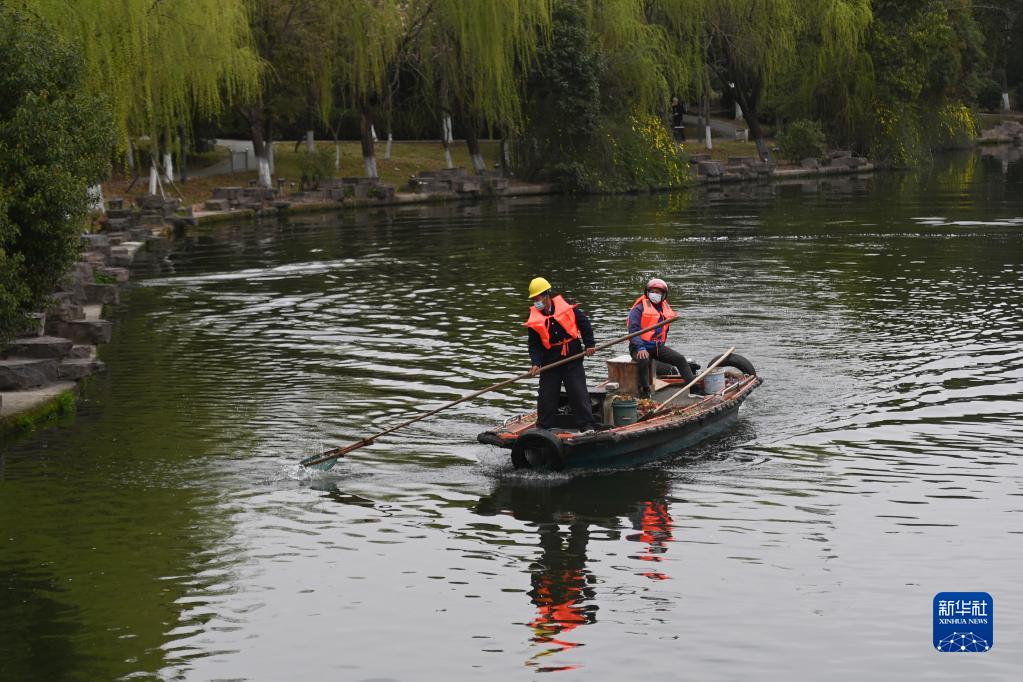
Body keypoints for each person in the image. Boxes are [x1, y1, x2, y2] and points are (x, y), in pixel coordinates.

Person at [525, 276, 599, 432]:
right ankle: (543, 427)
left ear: (547, 296)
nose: (537, 302)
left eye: (539, 298)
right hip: (550, 361)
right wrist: (535, 363)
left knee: (578, 391)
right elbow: (534, 345)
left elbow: (584, 324)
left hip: (572, 357)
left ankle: (586, 425)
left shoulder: (568, 309)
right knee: (546, 395)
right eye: (534, 299)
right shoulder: (534, 319)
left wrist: (590, 344)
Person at [628, 277, 696, 398]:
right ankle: (645, 391)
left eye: (658, 292)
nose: (655, 294)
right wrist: (640, 348)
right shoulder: (638, 309)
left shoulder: (664, 309)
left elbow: (664, 330)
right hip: (639, 347)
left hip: (657, 347)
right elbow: (633, 331)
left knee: (680, 359)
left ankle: (694, 388)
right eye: (652, 291)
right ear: (647, 292)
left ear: (663, 295)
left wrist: (661, 346)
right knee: (644, 359)